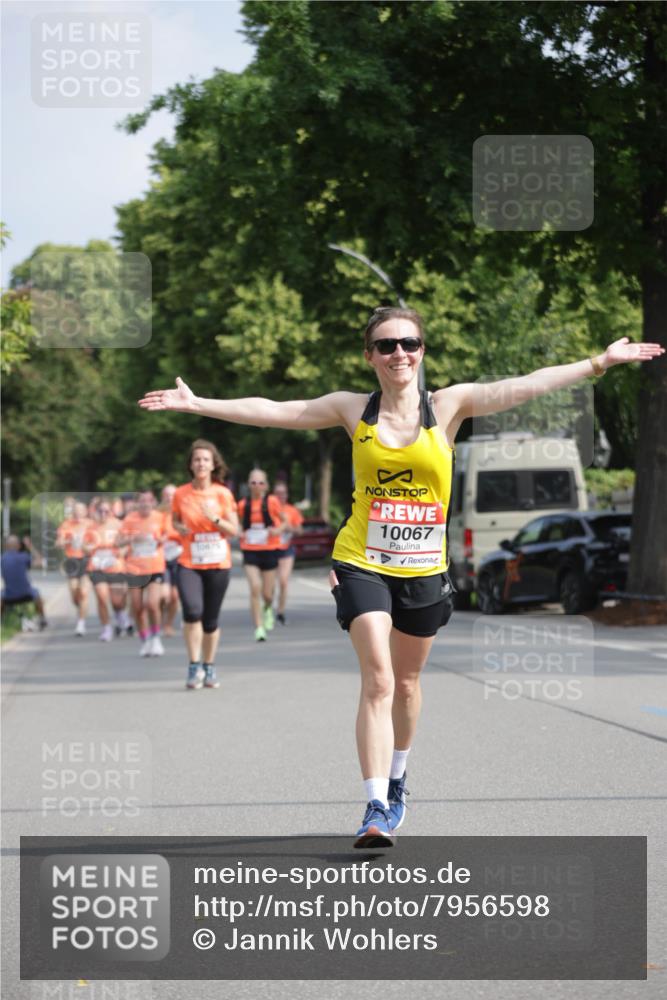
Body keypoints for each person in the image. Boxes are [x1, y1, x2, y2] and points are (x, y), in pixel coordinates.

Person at [139, 307, 664, 847]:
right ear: (369, 355)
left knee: (408, 685)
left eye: (409, 344)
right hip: (362, 560)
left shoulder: (449, 406)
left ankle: (397, 779)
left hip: (423, 569)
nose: (399, 354)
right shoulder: (352, 409)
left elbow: (521, 386)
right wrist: (198, 403)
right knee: (381, 679)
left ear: (422, 351)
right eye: (386, 346)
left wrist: (598, 362)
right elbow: (276, 409)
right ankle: (373, 805)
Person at [170, 440, 238, 690]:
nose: (201, 463)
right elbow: (174, 521)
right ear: (191, 464)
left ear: (213, 465)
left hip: (218, 563)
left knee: (210, 620)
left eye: (205, 460)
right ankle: (193, 663)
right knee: (192, 611)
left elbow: (234, 531)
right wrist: (179, 528)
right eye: (197, 459)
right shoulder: (181, 494)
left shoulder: (222, 494)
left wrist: (215, 518)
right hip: (190, 561)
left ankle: (209, 666)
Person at [237, 470, 288, 642]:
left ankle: (267, 608)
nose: (257, 486)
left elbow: (285, 522)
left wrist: (277, 530)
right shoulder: (243, 504)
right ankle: (259, 628)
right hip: (250, 550)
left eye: (260, 483)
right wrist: (239, 531)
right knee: (255, 587)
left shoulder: (272, 501)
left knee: (267, 593)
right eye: (253, 483)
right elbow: (237, 523)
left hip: (269, 549)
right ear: (248, 484)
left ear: (265, 485)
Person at [119, 491, 167, 657]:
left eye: (149, 500)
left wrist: (161, 539)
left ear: (153, 502)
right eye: (142, 501)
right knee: (138, 607)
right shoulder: (130, 519)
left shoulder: (160, 517)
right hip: (135, 568)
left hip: (155, 566)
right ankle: (145, 639)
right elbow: (118, 542)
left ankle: (156, 637)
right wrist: (132, 538)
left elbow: (168, 535)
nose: (145, 504)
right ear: (137, 503)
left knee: (152, 604)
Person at [83, 499, 130, 641]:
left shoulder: (118, 524)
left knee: (117, 601)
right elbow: (84, 547)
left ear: (111, 512)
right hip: (97, 566)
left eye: (106, 511)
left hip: (115, 565)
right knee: (102, 598)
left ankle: (120, 614)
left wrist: (123, 550)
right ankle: (106, 628)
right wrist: (89, 548)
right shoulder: (91, 527)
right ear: (95, 511)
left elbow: (128, 542)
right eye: (100, 511)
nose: (103, 514)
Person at [55, 500, 93, 635]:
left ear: (85, 511)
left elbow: (96, 541)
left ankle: (81, 624)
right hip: (71, 561)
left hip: (87, 560)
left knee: (83, 592)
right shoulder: (66, 524)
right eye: (75, 511)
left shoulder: (90, 524)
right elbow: (58, 543)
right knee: (74, 593)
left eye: (80, 510)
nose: (77, 513)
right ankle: (81, 609)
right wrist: (69, 540)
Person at [273, 481, 304, 625]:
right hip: (269, 549)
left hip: (286, 549)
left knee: (284, 581)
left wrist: (288, 528)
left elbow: (300, 530)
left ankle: (280, 611)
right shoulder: (267, 509)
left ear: (287, 495)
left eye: (283, 493)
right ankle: (267, 607)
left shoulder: (292, 510)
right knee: (269, 584)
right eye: (277, 493)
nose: (280, 496)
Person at [1, 535, 48, 629]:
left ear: (6, 546)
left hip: (8, 594)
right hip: (26, 593)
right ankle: (42, 619)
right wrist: (30, 546)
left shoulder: (2, 559)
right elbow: (40, 561)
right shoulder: (24, 557)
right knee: (38, 594)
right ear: (18, 546)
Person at [159, 483, 182, 636]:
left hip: (179, 557)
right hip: (161, 559)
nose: (169, 498)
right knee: (164, 595)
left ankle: (168, 624)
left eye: (172, 495)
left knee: (174, 596)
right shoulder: (157, 515)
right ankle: (159, 621)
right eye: (166, 495)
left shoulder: (182, 513)